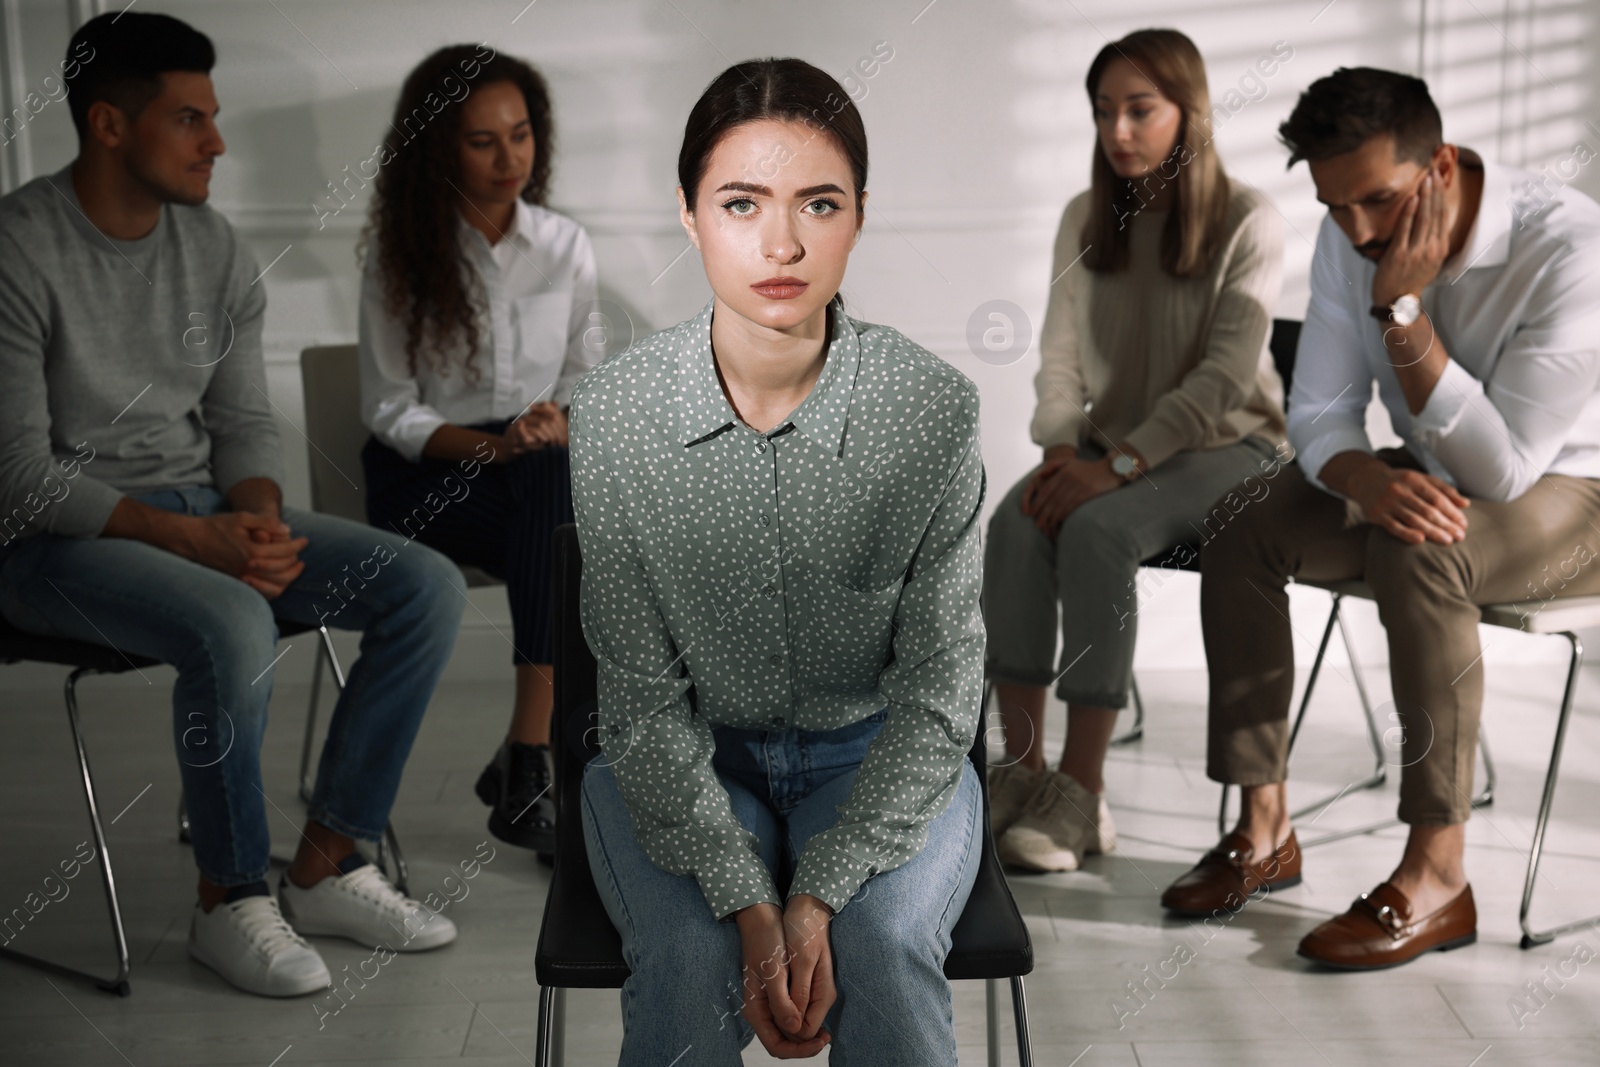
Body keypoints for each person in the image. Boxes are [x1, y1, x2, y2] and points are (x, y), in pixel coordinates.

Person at [0, 13, 467, 997]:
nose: (217, 142)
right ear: (110, 125)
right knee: (232, 614)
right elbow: (18, 474)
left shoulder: (212, 247)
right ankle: (227, 895)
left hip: (196, 507)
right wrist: (193, 539)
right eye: (189, 119)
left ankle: (331, 860)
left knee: (421, 585)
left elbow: (245, 422)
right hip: (49, 542)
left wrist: (251, 515)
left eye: (213, 117)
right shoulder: (18, 248)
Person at [569, 58, 987, 1066]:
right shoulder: (614, 412)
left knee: (879, 943)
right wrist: (751, 903)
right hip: (680, 754)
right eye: (742, 202)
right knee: (685, 947)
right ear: (688, 211)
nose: (783, 243)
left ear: (858, 215)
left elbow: (941, 680)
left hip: (878, 752)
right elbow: (634, 695)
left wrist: (820, 893)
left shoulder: (932, 408)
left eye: (820, 203)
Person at [1162, 66, 1600, 969]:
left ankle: (1439, 875)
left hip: (1570, 492)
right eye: (1335, 205)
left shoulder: (1572, 250)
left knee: (1419, 551)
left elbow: (1507, 465)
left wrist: (1403, 317)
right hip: (1431, 467)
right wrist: (1361, 475)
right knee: (1244, 518)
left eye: (1378, 200)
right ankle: (1265, 827)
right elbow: (1320, 410)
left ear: (1438, 167)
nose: (1359, 231)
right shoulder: (1345, 230)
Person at [982, 28, 1288, 872]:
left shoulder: (1249, 221)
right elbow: (1060, 354)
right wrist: (1056, 452)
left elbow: (1224, 381)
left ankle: (1085, 793)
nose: (1119, 129)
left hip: (1235, 450)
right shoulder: (1087, 217)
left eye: (1140, 110)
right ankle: (1025, 766)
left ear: (1189, 111)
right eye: (1104, 111)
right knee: (1017, 521)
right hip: (1108, 451)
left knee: (1097, 530)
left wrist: (1114, 468)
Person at [357, 45, 599, 861]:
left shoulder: (564, 244)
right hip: (426, 475)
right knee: (575, 545)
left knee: (555, 493)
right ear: (438, 148)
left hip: (537, 466)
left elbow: (582, 372)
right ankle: (544, 764)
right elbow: (389, 406)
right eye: (482, 141)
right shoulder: (400, 256)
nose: (510, 159)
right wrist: (497, 447)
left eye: (522, 135)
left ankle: (529, 759)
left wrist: (550, 422)